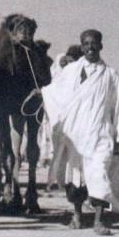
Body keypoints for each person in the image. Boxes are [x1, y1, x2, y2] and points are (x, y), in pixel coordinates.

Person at [42, 29, 119, 235]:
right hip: (75, 135)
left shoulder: (110, 75)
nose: (90, 47)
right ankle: (77, 216)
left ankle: (99, 221)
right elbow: (55, 91)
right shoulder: (71, 71)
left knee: (99, 174)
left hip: (101, 134)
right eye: (86, 43)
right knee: (76, 178)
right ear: (82, 46)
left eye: (94, 43)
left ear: (100, 45)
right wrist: (42, 93)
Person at [43, 44, 83, 188]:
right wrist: (43, 92)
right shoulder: (63, 72)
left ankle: (75, 184)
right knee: (60, 153)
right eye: (68, 61)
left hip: (78, 121)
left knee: (76, 154)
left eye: (72, 61)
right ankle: (61, 182)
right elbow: (54, 87)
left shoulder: (83, 73)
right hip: (60, 120)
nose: (69, 64)